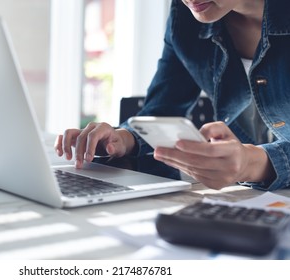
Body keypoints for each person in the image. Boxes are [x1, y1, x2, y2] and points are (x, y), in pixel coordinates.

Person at [54, 0, 290, 191]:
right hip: (251, 201)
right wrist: (122, 138)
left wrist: (252, 163)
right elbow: (162, 110)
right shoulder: (187, 17)